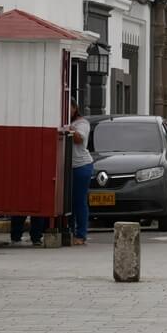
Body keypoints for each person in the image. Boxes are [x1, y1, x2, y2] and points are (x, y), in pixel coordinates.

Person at [65, 101, 94, 246]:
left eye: (68, 107)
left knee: (79, 201)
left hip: (81, 166)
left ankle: (81, 234)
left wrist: (68, 129)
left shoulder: (82, 123)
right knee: (67, 202)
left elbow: (78, 139)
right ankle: (69, 231)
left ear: (75, 108)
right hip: (67, 167)